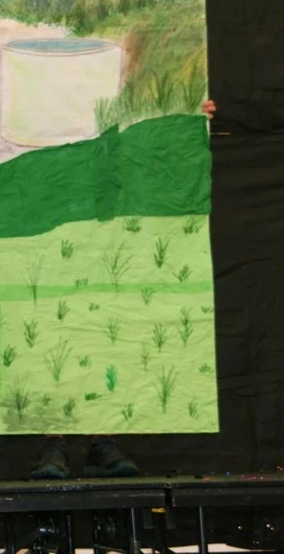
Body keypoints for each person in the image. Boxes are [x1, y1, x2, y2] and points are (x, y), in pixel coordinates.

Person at [32, 98, 217, 480]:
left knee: (108, 324)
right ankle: (55, 441)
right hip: (55, 208)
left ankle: (102, 439)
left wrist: (188, 116)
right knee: (55, 325)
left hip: (112, 223)